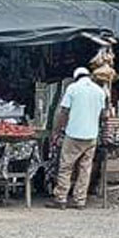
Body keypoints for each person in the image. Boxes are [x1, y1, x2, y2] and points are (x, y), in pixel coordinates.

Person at [47, 67, 106, 210]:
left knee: (66, 166)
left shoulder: (72, 88)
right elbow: (103, 114)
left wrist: (57, 130)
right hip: (91, 135)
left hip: (74, 134)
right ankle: (80, 200)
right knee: (85, 168)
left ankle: (61, 198)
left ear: (76, 77)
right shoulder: (99, 91)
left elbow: (64, 111)